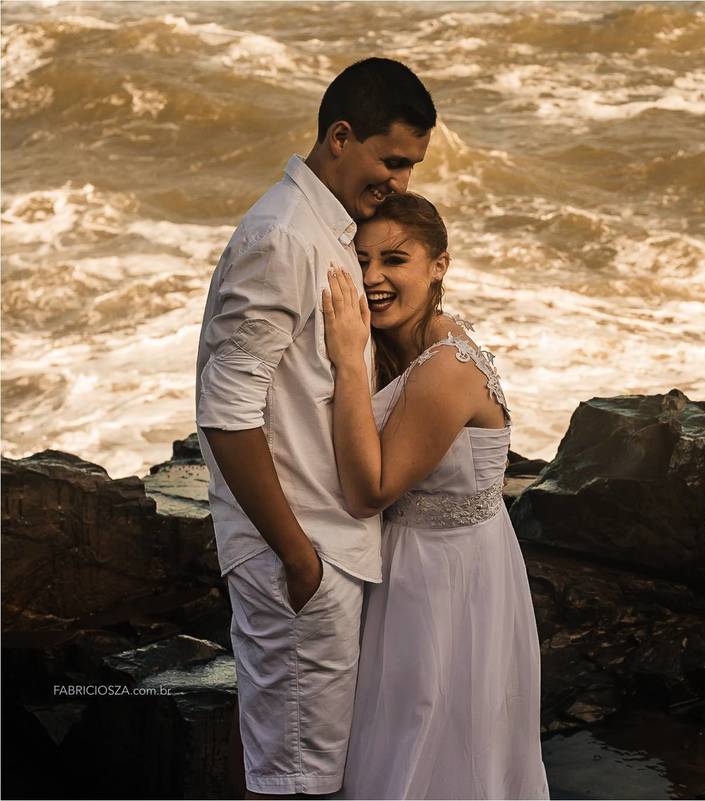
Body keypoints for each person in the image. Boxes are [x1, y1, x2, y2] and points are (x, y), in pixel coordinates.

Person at [195, 58, 436, 796]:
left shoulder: (329, 229)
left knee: (316, 772)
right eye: (391, 161)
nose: (399, 181)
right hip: (301, 555)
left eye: (410, 166)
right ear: (339, 136)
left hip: (327, 550)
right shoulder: (284, 237)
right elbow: (226, 413)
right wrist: (298, 558)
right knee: (299, 781)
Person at [320, 192, 549, 799]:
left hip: (447, 580)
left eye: (395, 260)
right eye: (360, 259)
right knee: (396, 733)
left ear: (438, 266)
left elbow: (371, 491)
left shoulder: (445, 369)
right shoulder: (402, 345)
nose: (373, 278)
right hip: (414, 564)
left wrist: (346, 361)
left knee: (428, 732)